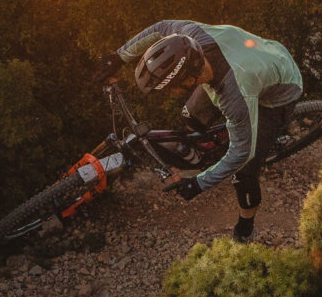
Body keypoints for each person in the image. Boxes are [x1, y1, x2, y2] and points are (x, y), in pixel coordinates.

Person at [96, 20, 303, 243]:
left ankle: (245, 228)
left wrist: (199, 183)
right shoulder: (190, 36)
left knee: (244, 170)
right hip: (259, 54)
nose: (171, 92)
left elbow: (242, 152)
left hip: (279, 92)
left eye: (172, 87)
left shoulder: (236, 95)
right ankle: (209, 147)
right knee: (190, 115)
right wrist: (118, 57)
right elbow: (161, 27)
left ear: (191, 77)